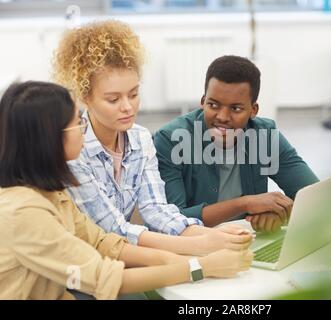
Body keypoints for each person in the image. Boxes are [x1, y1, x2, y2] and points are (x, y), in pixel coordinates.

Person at [0, 81, 253, 300]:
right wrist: (201, 266)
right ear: (49, 138)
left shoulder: (51, 192)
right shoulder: (23, 211)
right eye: (78, 123)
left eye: (133, 94)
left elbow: (102, 241)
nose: (83, 127)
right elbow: (102, 277)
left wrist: (190, 253)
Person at [52, 20, 252, 254]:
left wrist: (214, 235)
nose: (128, 107)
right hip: (84, 267)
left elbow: (156, 209)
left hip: (122, 255)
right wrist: (201, 244)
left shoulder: (140, 138)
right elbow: (113, 229)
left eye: (134, 94)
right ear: (85, 97)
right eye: (113, 99)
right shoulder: (74, 151)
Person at [154, 55, 319, 233]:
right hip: (196, 245)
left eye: (236, 109)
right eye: (213, 105)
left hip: (248, 241)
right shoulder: (171, 140)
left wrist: (279, 214)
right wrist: (245, 204)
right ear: (203, 102)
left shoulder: (264, 135)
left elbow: (315, 196)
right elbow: (172, 220)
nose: (223, 117)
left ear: (253, 110)